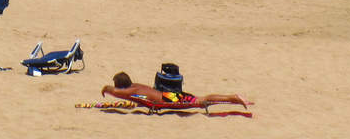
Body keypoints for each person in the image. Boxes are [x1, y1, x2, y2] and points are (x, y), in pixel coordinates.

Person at [101, 72, 252, 109]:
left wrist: (106, 88)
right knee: (201, 98)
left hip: (169, 99)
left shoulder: (130, 91)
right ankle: (234, 98)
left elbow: (115, 92)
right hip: (169, 95)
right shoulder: (137, 85)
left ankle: (234, 98)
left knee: (201, 101)